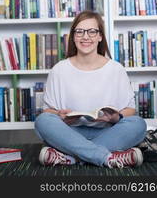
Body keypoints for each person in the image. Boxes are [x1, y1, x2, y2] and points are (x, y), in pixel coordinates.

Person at [35, 10, 147, 168]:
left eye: (92, 31)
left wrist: (115, 117)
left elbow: (130, 110)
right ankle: (107, 157)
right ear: (73, 37)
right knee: (43, 121)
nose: (85, 37)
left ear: (100, 36)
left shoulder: (116, 69)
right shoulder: (59, 69)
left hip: (106, 132)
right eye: (79, 32)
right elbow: (48, 112)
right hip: (69, 133)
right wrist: (60, 115)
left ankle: (71, 157)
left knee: (138, 124)